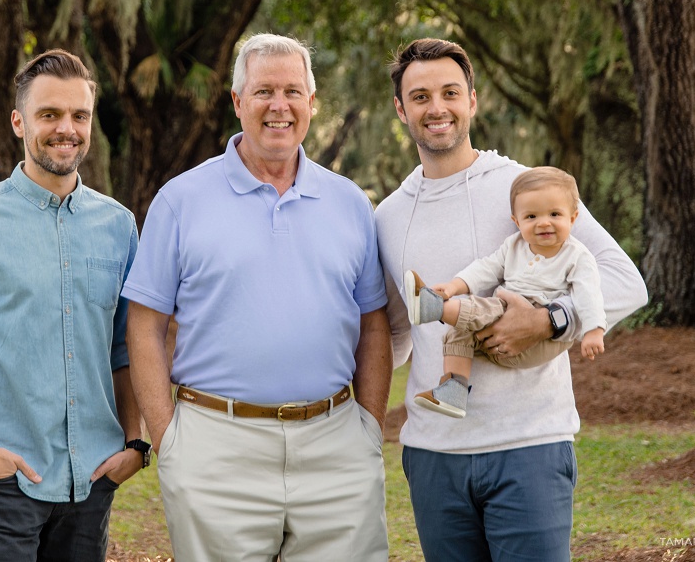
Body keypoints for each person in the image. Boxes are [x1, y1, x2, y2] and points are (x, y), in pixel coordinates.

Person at [374, 38, 648, 561]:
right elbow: (393, 333)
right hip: (434, 456)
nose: (437, 108)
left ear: (473, 100)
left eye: (451, 92)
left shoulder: (525, 190)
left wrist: (551, 320)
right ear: (400, 110)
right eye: (421, 96)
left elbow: (622, 279)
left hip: (529, 447)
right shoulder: (386, 216)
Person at [122, 33, 391, 560]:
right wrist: (167, 439)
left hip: (336, 447)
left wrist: (369, 428)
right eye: (264, 90)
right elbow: (145, 325)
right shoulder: (180, 200)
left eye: (293, 91)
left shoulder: (350, 203)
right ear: (237, 101)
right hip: (215, 447)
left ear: (312, 104)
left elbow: (374, 322)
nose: (279, 106)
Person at [0, 49, 146, 562]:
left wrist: (135, 442)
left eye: (79, 116)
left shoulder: (119, 226)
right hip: (2, 478)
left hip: (90, 481)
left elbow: (126, 346)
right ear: (19, 121)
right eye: (50, 114)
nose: (66, 128)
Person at [404, 166, 606, 419]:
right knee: (459, 332)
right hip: (503, 333)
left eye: (555, 214)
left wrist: (594, 330)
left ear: (573, 218)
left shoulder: (577, 256)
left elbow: (589, 294)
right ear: (516, 221)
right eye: (531, 216)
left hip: (538, 339)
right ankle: (453, 391)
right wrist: (455, 286)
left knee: (485, 308)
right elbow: (487, 268)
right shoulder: (514, 245)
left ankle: (433, 308)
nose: (544, 222)